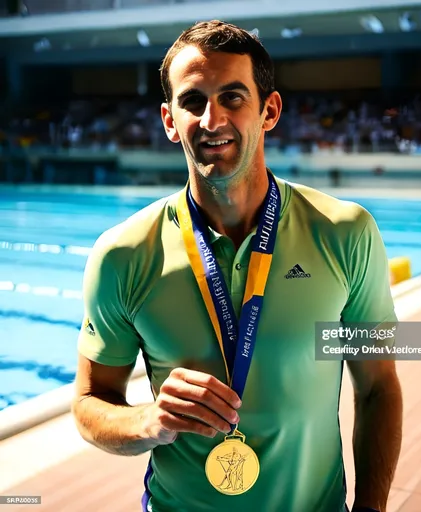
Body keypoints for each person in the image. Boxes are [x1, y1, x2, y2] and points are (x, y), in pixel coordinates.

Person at [72, 20, 403, 512]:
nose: (212, 120)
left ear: (269, 110)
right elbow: (89, 405)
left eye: (232, 97)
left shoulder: (343, 233)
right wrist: (150, 421)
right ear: (168, 120)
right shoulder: (124, 255)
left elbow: (376, 387)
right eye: (192, 101)